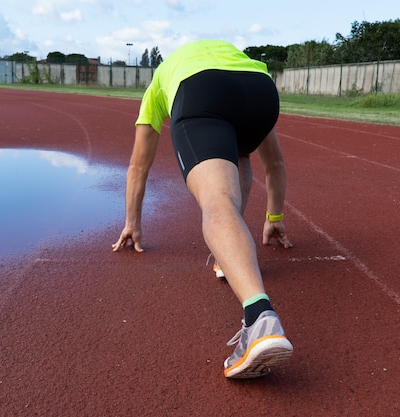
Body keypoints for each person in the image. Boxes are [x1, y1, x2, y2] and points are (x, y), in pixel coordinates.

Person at [112, 39, 293, 379]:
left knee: (216, 201)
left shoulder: (161, 81)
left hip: (201, 89)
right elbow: (275, 164)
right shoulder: (234, 59)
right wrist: (275, 218)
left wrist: (132, 223)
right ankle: (230, 259)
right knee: (237, 154)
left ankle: (260, 318)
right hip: (261, 90)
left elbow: (139, 166)